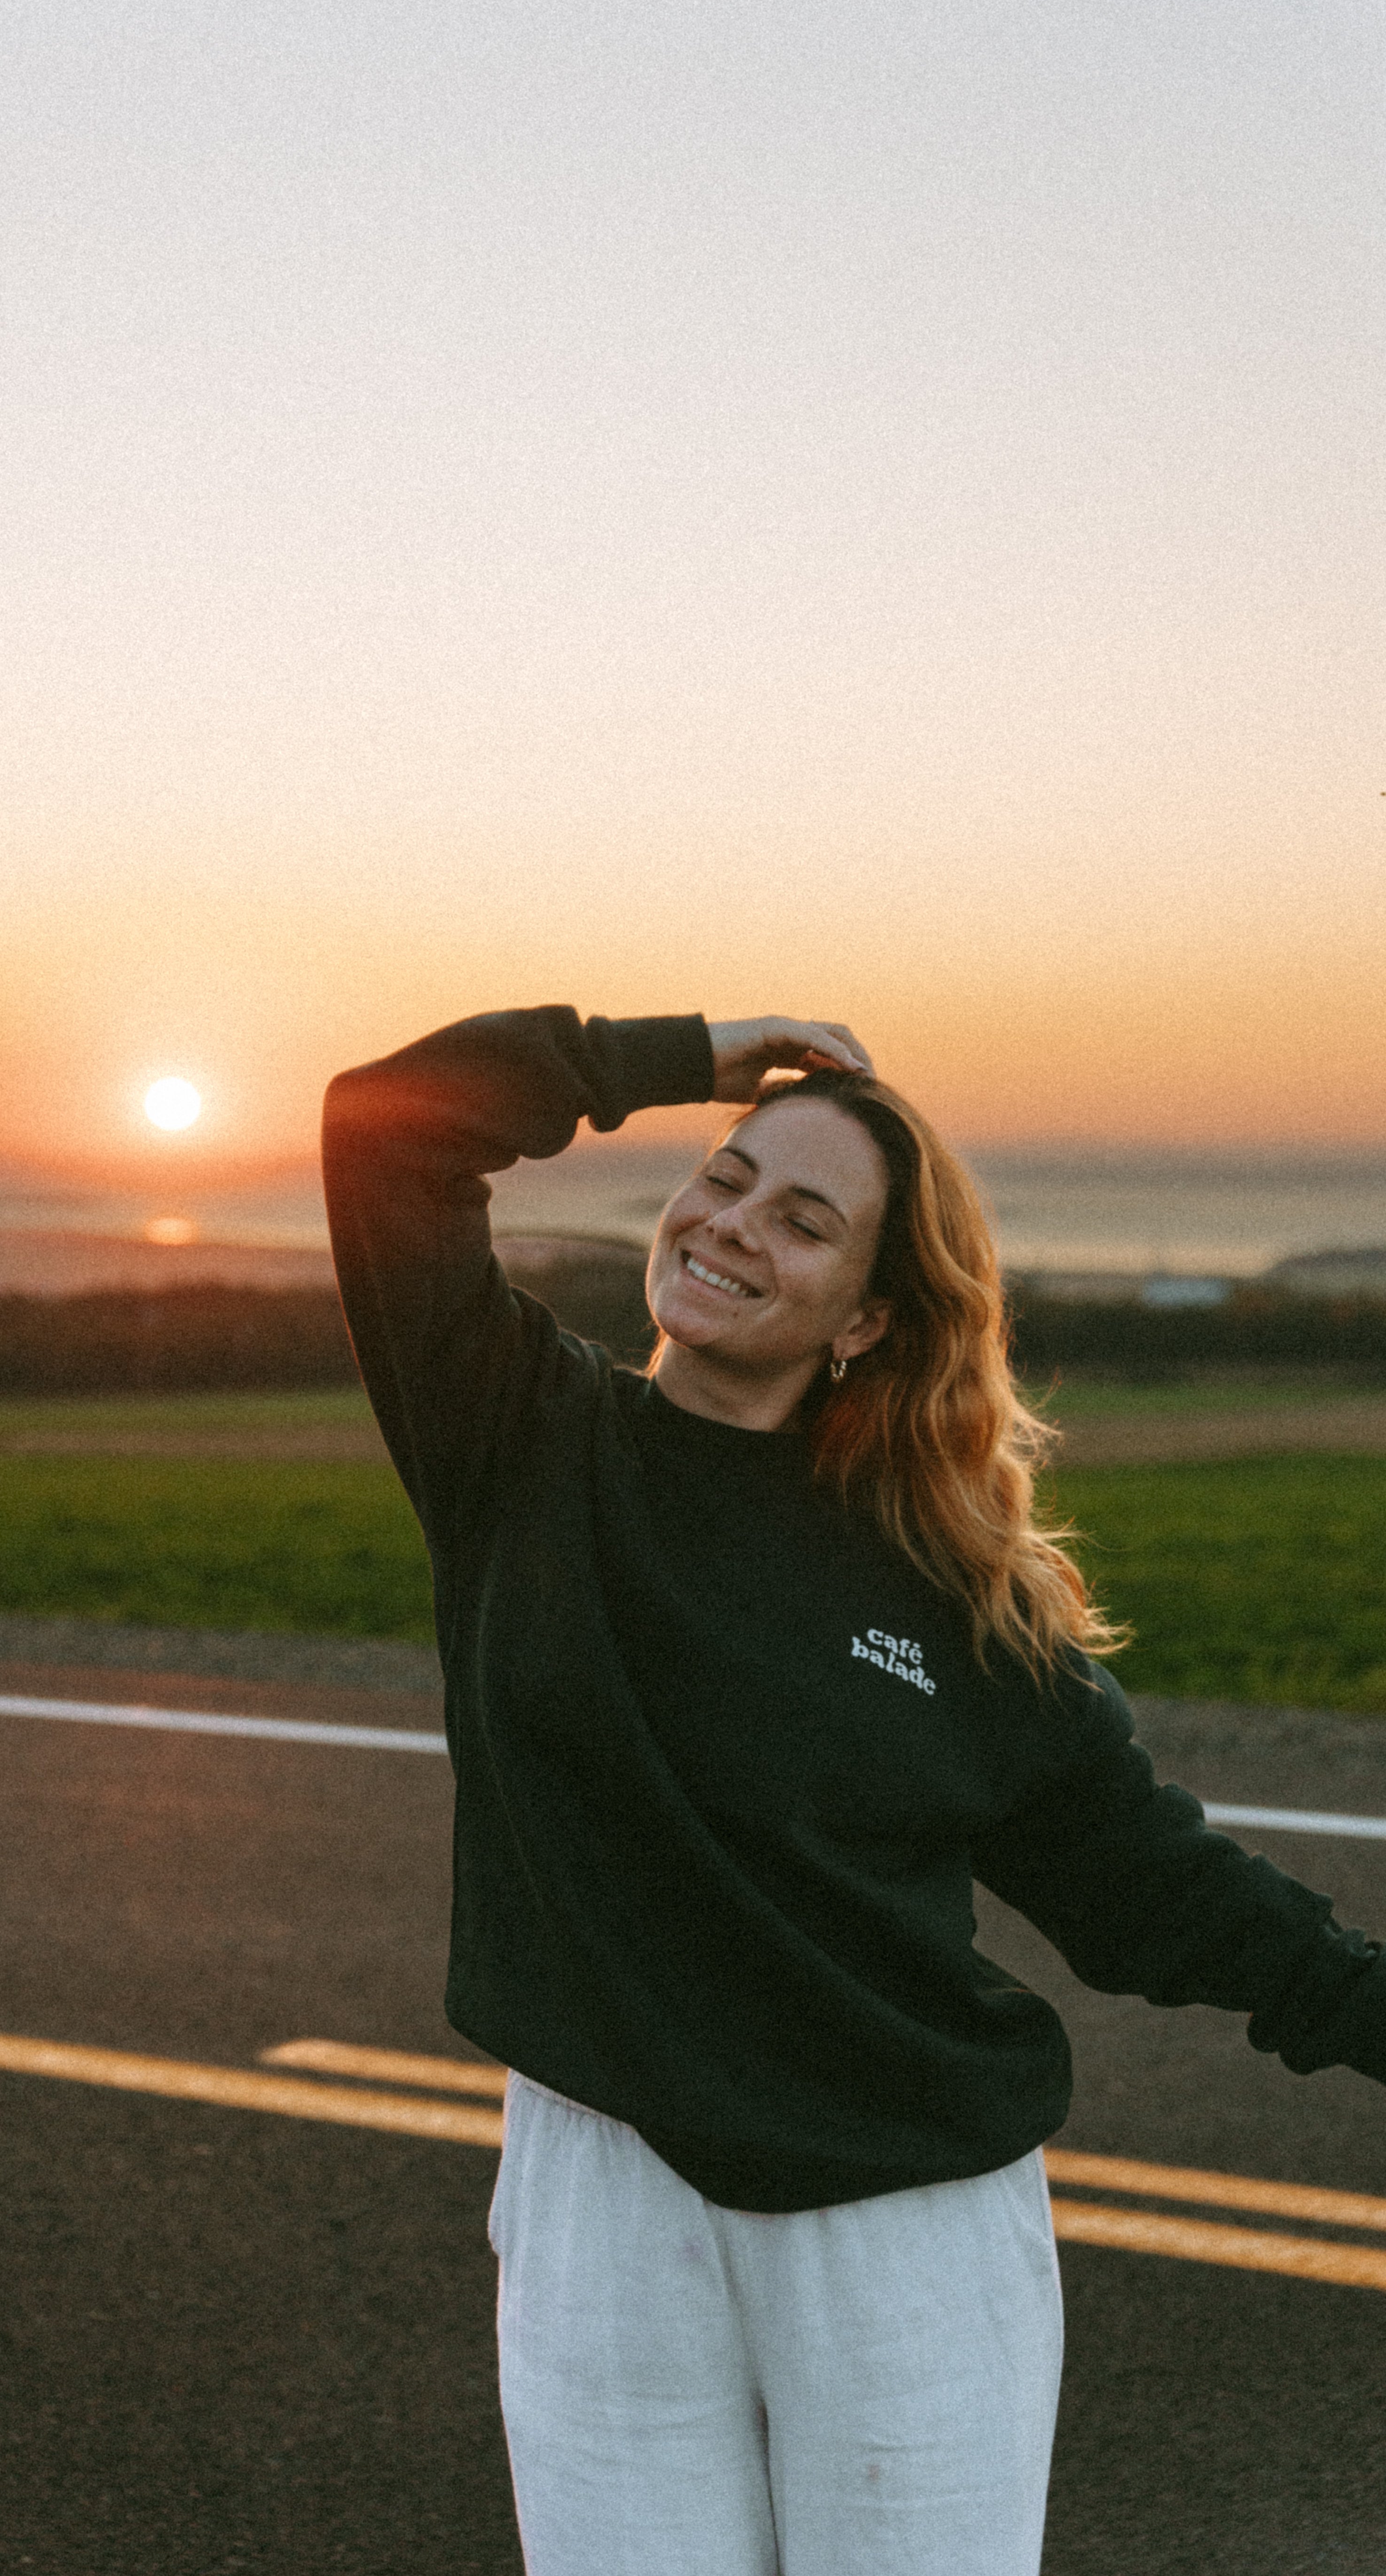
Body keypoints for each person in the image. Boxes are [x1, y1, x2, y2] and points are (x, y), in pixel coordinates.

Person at [321, 1006, 1386, 2576]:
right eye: (728, 1179)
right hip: (600, 2197)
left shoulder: (953, 1596)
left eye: (803, 1220)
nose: (732, 1224)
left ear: (869, 1320)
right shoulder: (522, 1439)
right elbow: (392, 1125)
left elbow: (1152, 1891)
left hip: (904, 2230)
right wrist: (692, 1049)